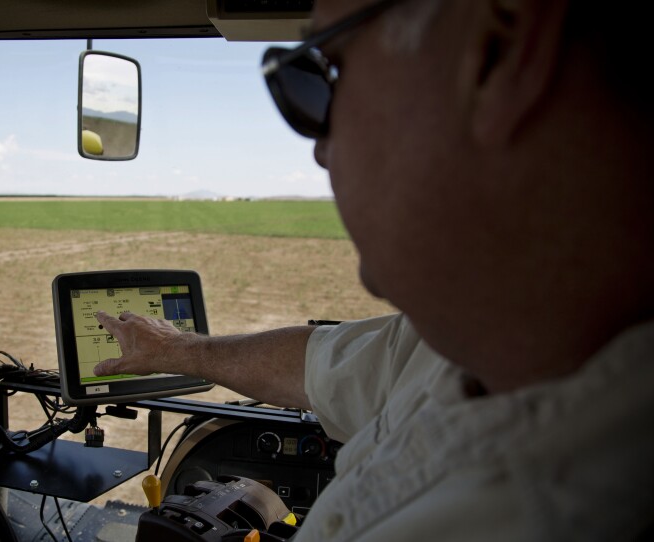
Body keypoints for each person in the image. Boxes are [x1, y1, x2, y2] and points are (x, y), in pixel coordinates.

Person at [95, 0, 654, 539]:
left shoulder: (552, 508)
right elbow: (318, 365)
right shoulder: (462, 342)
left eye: (328, 69)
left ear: (501, 48)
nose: (318, 147)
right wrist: (178, 350)